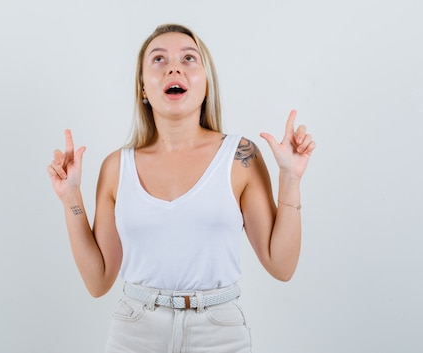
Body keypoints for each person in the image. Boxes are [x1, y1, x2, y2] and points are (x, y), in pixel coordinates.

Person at [47, 23, 316, 353]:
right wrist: (70, 197)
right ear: (143, 88)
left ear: (206, 85)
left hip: (219, 333)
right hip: (135, 332)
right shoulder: (117, 167)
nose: (174, 66)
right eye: (158, 60)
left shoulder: (240, 157)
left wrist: (291, 178)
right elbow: (98, 280)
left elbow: (282, 266)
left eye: (189, 58)